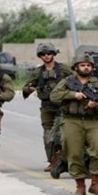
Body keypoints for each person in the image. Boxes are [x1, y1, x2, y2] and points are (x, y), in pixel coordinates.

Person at [50, 55, 98, 195]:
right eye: (82, 65)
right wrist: (73, 95)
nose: (86, 67)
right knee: (74, 153)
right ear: (76, 67)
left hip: (92, 121)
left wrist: (95, 105)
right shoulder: (67, 82)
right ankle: (80, 186)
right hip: (72, 121)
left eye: (88, 65)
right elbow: (54, 96)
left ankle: (95, 184)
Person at [23, 43, 72, 171]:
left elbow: (75, 81)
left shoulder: (63, 69)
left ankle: (63, 161)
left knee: (60, 136)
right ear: (40, 56)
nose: (46, 56)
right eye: (43, 54)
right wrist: (29, 89)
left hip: (63, 106)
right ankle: (52, 161)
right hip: (46, 107)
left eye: (49, 54)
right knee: (47, 136)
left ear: (53, 54)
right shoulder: (37, 72)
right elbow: (26, 87)